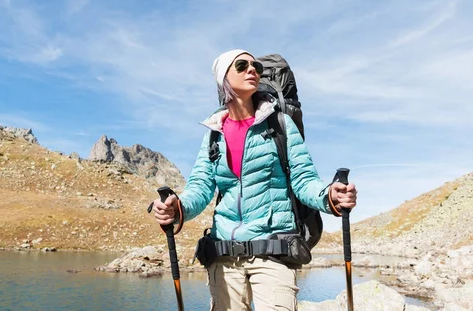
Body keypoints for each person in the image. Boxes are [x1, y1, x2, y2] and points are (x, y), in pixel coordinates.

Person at [151, 49, 357, 311]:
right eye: (242, 65)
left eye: (256, 66)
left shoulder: (280, 125)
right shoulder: (214, 136)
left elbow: (304, 179)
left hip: (274, 250)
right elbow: (201, 187)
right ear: (223, 79)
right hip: (223, 255)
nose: (253, 70)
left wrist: (330, 196)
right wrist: (176, 208)